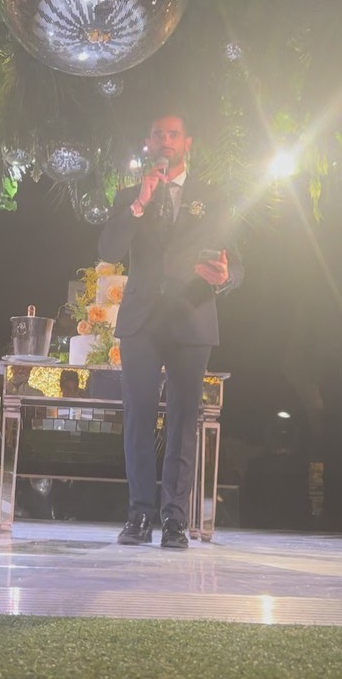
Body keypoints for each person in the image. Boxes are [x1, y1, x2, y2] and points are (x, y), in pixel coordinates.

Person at [98, 111, 243, 549]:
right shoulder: (131, 195)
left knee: (183, 421)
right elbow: (108, 250)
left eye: (173, 134)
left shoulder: (211, 197)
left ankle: (176, 520)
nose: (166, 140)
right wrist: (139, 203)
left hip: (191, 318)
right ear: (149, 142)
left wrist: (226, 276)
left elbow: (237, 262)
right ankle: (139, 515)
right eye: (158, 134)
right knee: (138, 417)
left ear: (187, 143)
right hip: (141, 320)